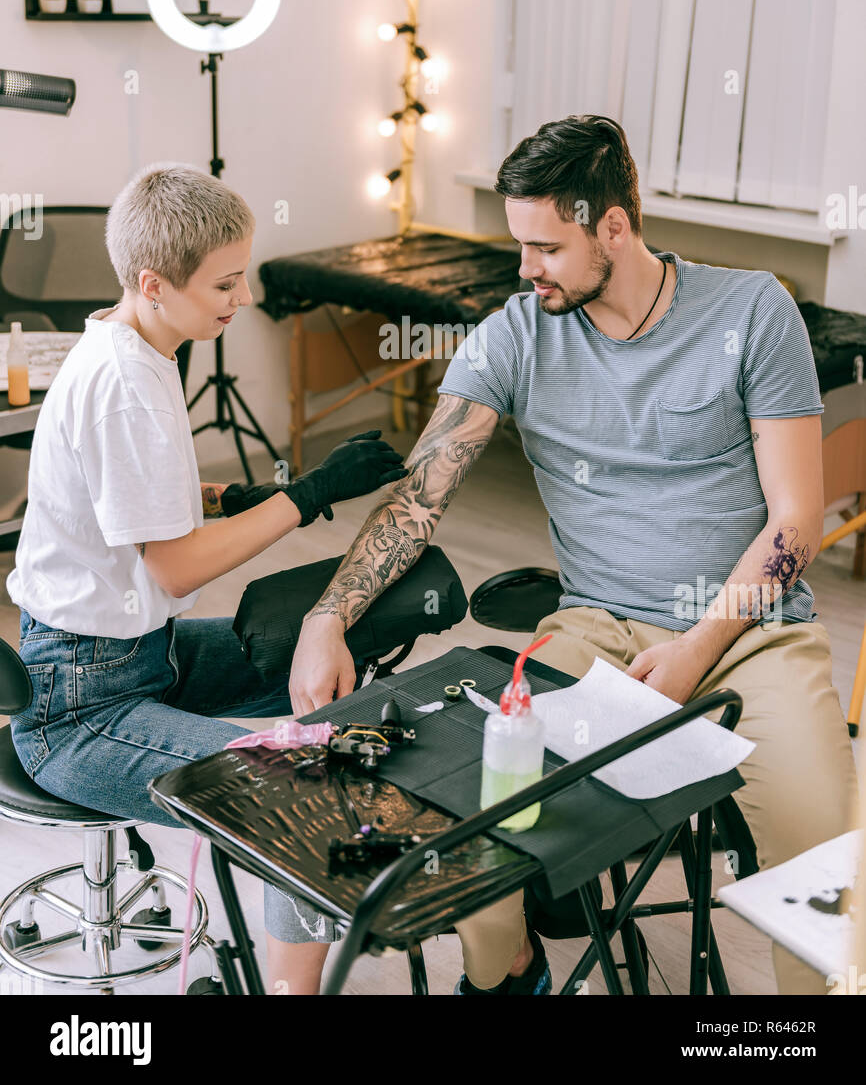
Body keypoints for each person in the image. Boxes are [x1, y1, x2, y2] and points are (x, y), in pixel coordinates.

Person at [285, 114, 860, 996]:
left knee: (822, 864)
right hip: (596, 628)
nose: (525, 268)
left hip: (754, 630)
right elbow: (418, 498)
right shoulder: (516, 335)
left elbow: (796, 522)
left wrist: (697, 650)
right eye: (517, 244)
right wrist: (330, 616)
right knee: (467, 809)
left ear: (614, 228)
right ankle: (510, 972)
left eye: (546, 247)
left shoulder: (751, 310)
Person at [7, 163, 407, 988]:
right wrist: (306, 495)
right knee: (303, 785)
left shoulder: (138, 345)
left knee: (319, 663)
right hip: (79, 708)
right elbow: (180, 565)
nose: (243, 298)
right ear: (155, 283)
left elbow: (127, 494)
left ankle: (332, 893)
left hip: (131, 656)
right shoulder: (126, 385)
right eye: (225, 284)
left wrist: (233, 494)